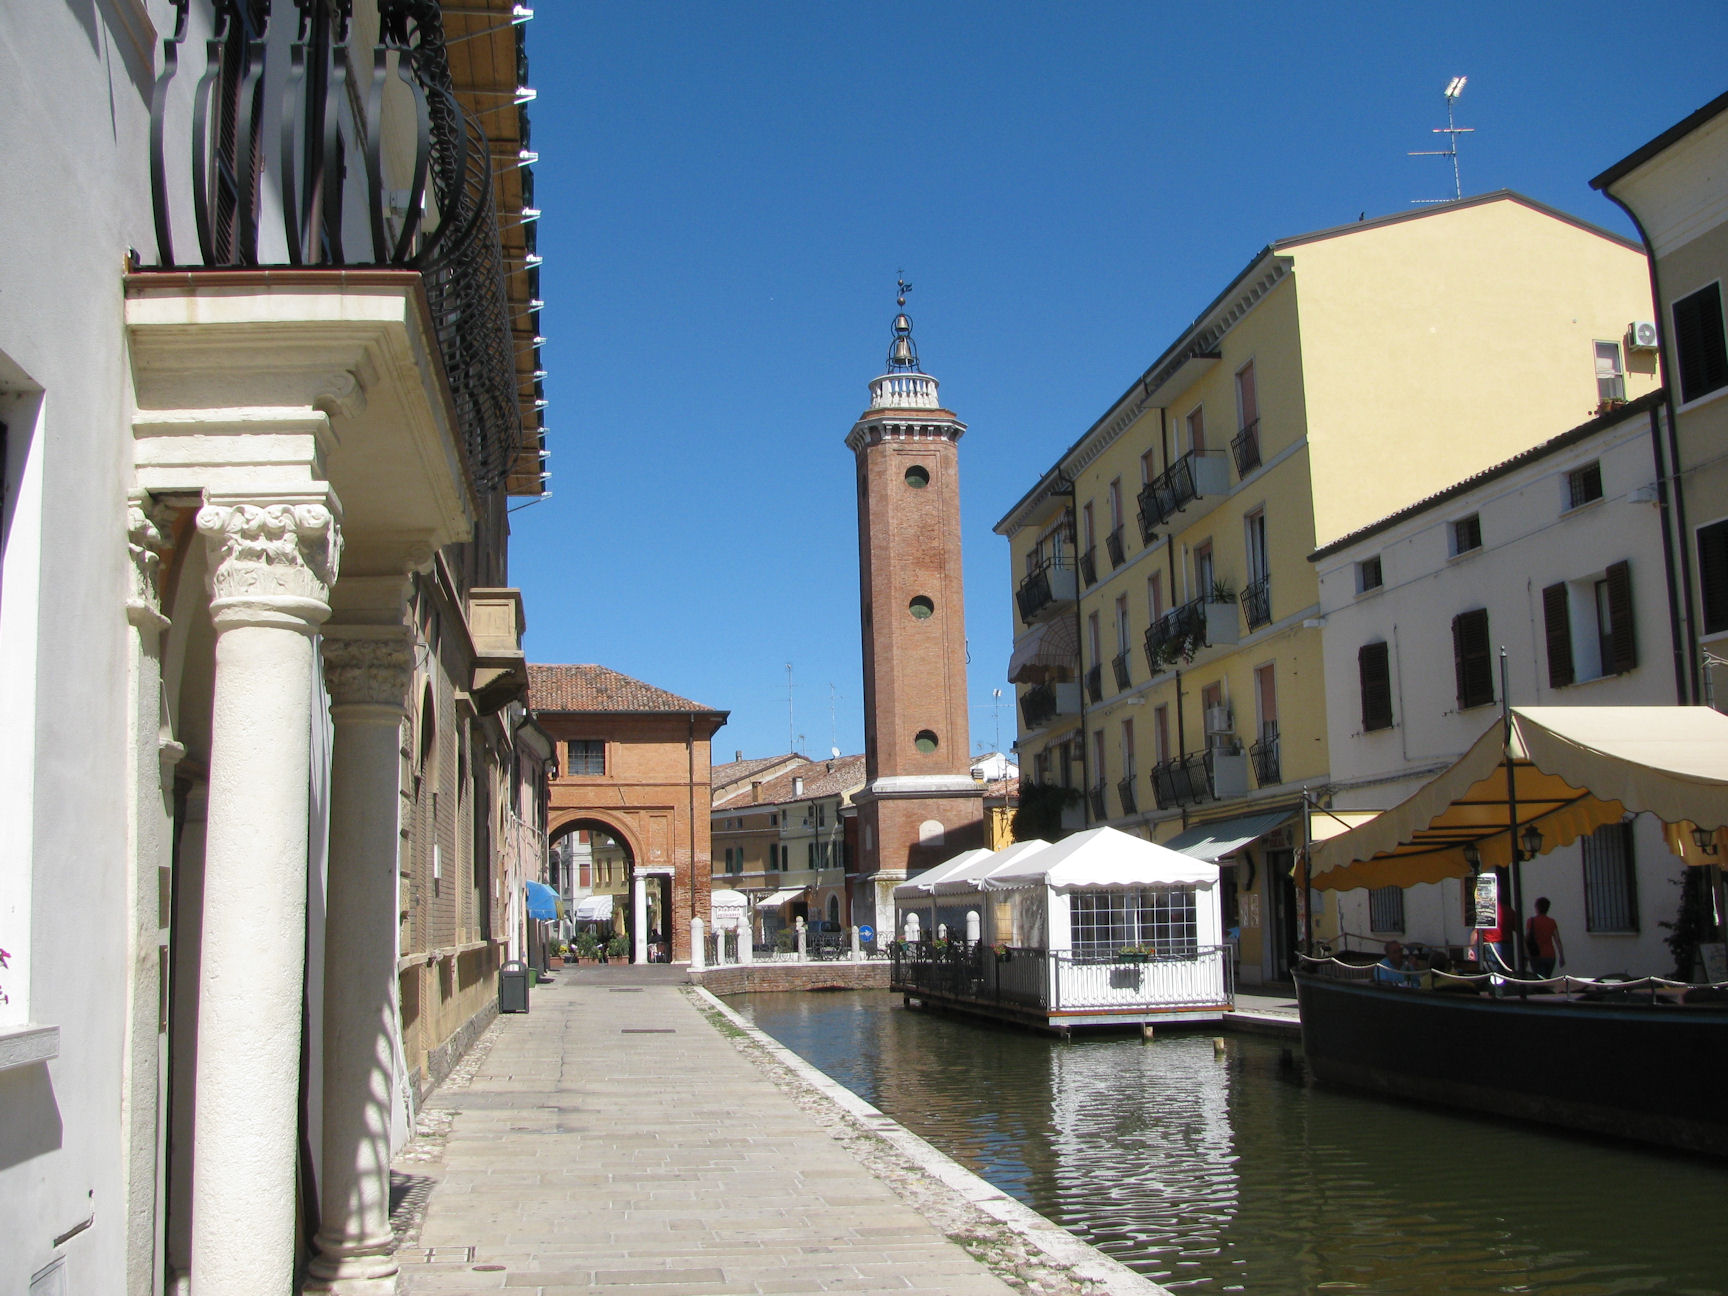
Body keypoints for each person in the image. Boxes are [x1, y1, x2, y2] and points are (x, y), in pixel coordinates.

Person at [1527, 896, 1565, 978]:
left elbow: (1527, 938)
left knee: (1538, 979)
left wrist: (1526, 955)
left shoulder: (1531, 921)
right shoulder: (1551, 922)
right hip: (1550, 955)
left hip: (1536, 955)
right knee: (1547, 978)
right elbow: (1557, 940)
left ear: (1537, 907)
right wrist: (1561, 956)